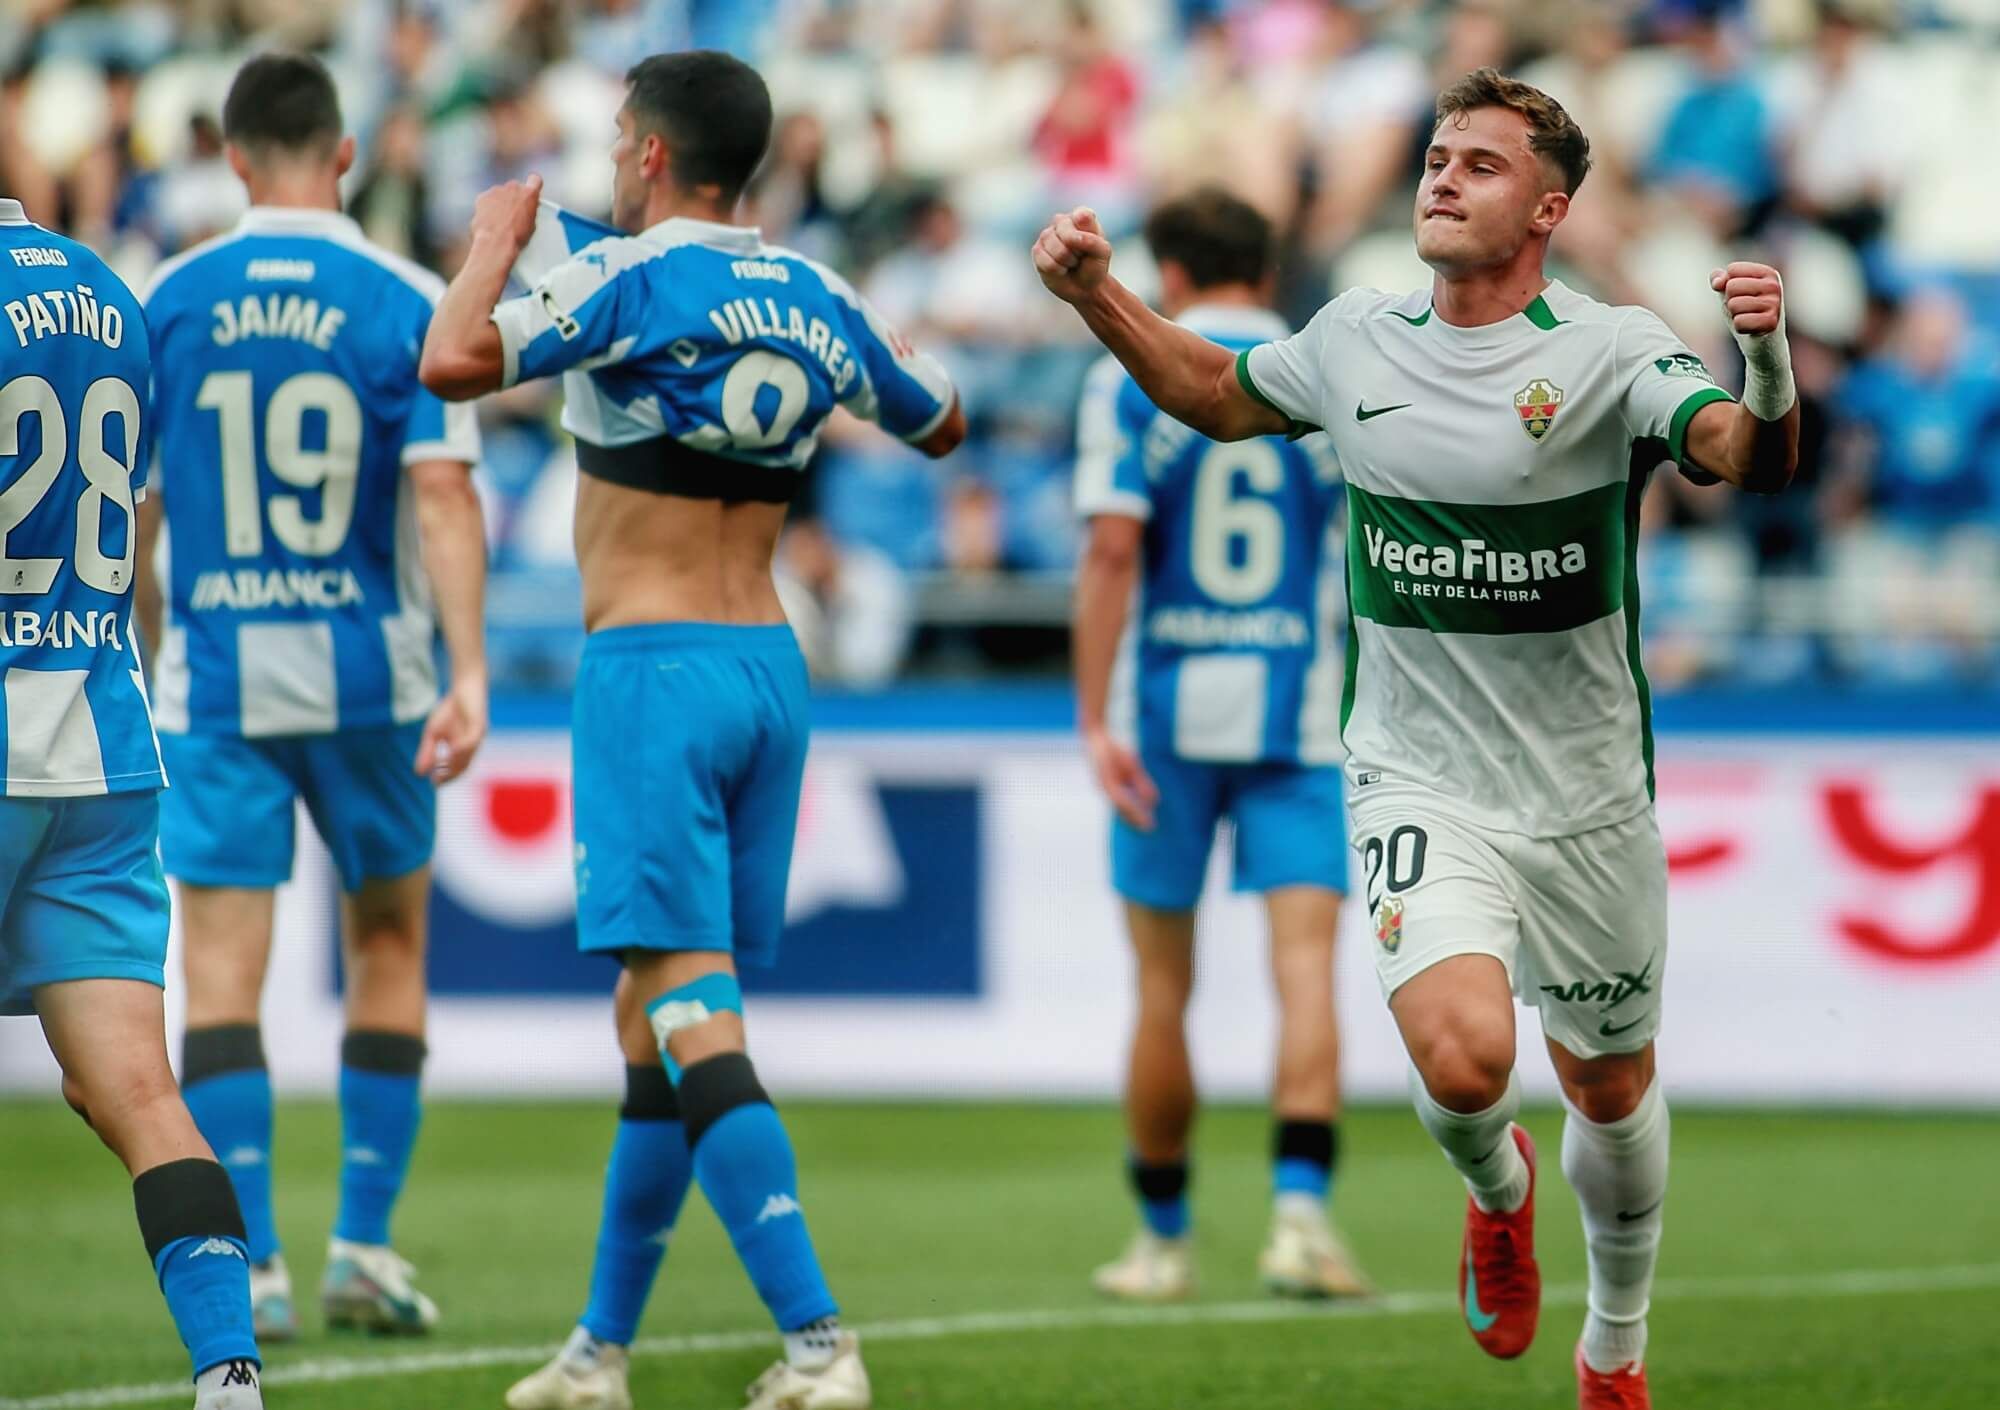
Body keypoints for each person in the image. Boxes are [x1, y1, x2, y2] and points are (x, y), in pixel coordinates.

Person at [1033, 66, 1798, 1410]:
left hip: (1587, 796)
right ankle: (1497, 1196)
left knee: (1610, 1088)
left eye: (1481, 165)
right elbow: (1214, 390)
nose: (1441, 176)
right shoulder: (1356, 337)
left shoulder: (1611, 347)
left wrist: (1773, 368)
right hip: (1416, 770)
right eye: (1437, 156)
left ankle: (1613, 1346)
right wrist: (1099, 294)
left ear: (1548, 208)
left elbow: (1744, 449)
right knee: (1464, 1061)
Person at [418, 50, 964, 1410]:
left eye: (618, 140)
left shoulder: (624, 278)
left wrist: (491, 244)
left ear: (652, 155)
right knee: (647, 1015)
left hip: (651, 666)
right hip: (771, 666)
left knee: (686, 1003)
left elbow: (449, 360)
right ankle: (599, 1351)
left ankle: (820, 1336)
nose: (610, 160)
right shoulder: (820, 294)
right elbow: (942, 419)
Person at [134, 52, 488, 1340]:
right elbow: (444, 494)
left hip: (217, 682)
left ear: (231, 158)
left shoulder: (166, 299)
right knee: (386, 946)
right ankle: (365, 1246)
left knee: (221, 977)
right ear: (344, 156)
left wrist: (156, 645)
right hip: (370, 680)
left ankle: (260, 1265)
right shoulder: (405, 296)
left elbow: (140, 518)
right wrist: (471, 672)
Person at [1071, 187, 1366, 1304]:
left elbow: (1108, 551)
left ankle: (1161, 1241)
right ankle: (1298, 1221)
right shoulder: (1317, 374)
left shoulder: (1123, 374)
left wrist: (1091, 719)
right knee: (1304, 972)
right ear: (1264, 266)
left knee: (1160, 987)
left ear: (1174, 277)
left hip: (1163, 724)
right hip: (1300, 717)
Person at [0, 197, 263, 1406]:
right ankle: (229, 1373)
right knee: (142, 1094)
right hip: (102, 746)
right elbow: (139, 528)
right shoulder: (107, 292)